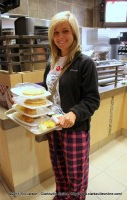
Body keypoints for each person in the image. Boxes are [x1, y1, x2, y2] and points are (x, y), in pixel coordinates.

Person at [43, 11, 100, 200]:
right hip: (54, 127)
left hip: (74, 129)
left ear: (74, 33)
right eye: (56, 32)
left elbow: (92, 99)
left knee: (76, 177)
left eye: (65, 31)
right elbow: (48, 92)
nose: (60, 37)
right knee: (59, 170)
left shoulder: (85, 63)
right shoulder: (50, 62)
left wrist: (74, 113)